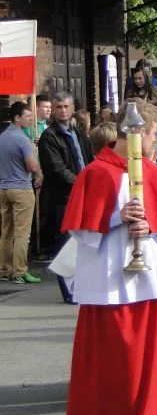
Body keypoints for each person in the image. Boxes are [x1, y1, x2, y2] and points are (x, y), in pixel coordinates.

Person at [58, 100, 157, 415]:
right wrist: (116, 216)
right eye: (155, 133)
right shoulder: (95, 172)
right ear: (138, 132)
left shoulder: (152, 172)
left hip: (147, 279)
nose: (156, 141)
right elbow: (80, 230)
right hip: (108, 281)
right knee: (109, 361)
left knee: (146, 361)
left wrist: (150, 225)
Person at [37, 92, 95, 262]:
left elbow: (88, 158)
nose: (63, 110)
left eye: (66, 106)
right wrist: (81, 183)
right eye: (59, 107)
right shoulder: (49, 137)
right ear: (53, 111)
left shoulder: (79, 133)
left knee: (84, 240)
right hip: (64, 197)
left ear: (72, 109)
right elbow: (56, 169)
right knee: (66, 245)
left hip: (84, 193)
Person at [0, 102, 42, 283]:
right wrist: (38, 170)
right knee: (22, 233)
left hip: (4, 188)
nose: (31, 119)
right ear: (17, 118)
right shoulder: (22, 140)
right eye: (27, 116)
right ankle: (20, 271)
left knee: (6, 231)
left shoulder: (2, 137)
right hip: (22, 188)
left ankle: (4, 269)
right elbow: (31, 166)